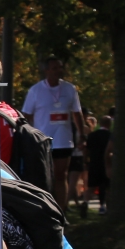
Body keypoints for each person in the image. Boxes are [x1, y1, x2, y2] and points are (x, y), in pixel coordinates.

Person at [21, 58, 82, 210]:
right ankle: (45, 210)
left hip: (63, 141)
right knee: (44, 177)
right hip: (43, 141)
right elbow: (26, 115)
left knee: (61, 176)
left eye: (60, 67)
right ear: (46, 70)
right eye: (54, 68)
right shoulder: (35, 90)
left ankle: (61, 211)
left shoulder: (69, 89)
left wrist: (82, 134)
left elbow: (77, 113)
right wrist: (28, 136)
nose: (58, 71)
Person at [83, 114, 110, 213]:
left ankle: (85, 202)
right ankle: (103, 206)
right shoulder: (110, 136)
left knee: (91, 186)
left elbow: (86, 150)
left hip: (93, 163)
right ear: (109, 124)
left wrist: (85, 161)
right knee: (105, 186)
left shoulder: (92, 135)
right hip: (105, 163)